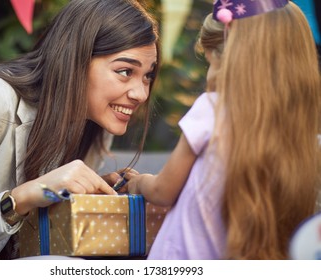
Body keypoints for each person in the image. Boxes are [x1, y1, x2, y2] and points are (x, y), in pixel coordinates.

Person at [0, 0, 159, 259]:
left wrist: (88, 199)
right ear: (76, 60)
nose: (141, 93)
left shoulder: (96, 125)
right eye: (125, 71)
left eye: (147, 76)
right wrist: (22, 198)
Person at [125, 0, 321, 259]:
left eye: (211, 63)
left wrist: (138, 182)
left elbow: (163, 191)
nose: (209, 76)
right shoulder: (305, 138)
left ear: (231, 60)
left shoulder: (213, 110)